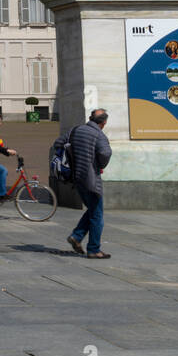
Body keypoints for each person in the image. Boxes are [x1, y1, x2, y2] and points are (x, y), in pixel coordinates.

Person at [68, 109, 112, 259]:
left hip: (77, 176)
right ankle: (93, 249)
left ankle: (77, 236)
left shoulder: (76, 130)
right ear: (104, 122)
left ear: (90, 118)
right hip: (91, 178)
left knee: (93, 209)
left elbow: (59, 143)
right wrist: (99, 165)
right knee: (97, 215)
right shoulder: (99, 135)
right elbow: (105, 153)